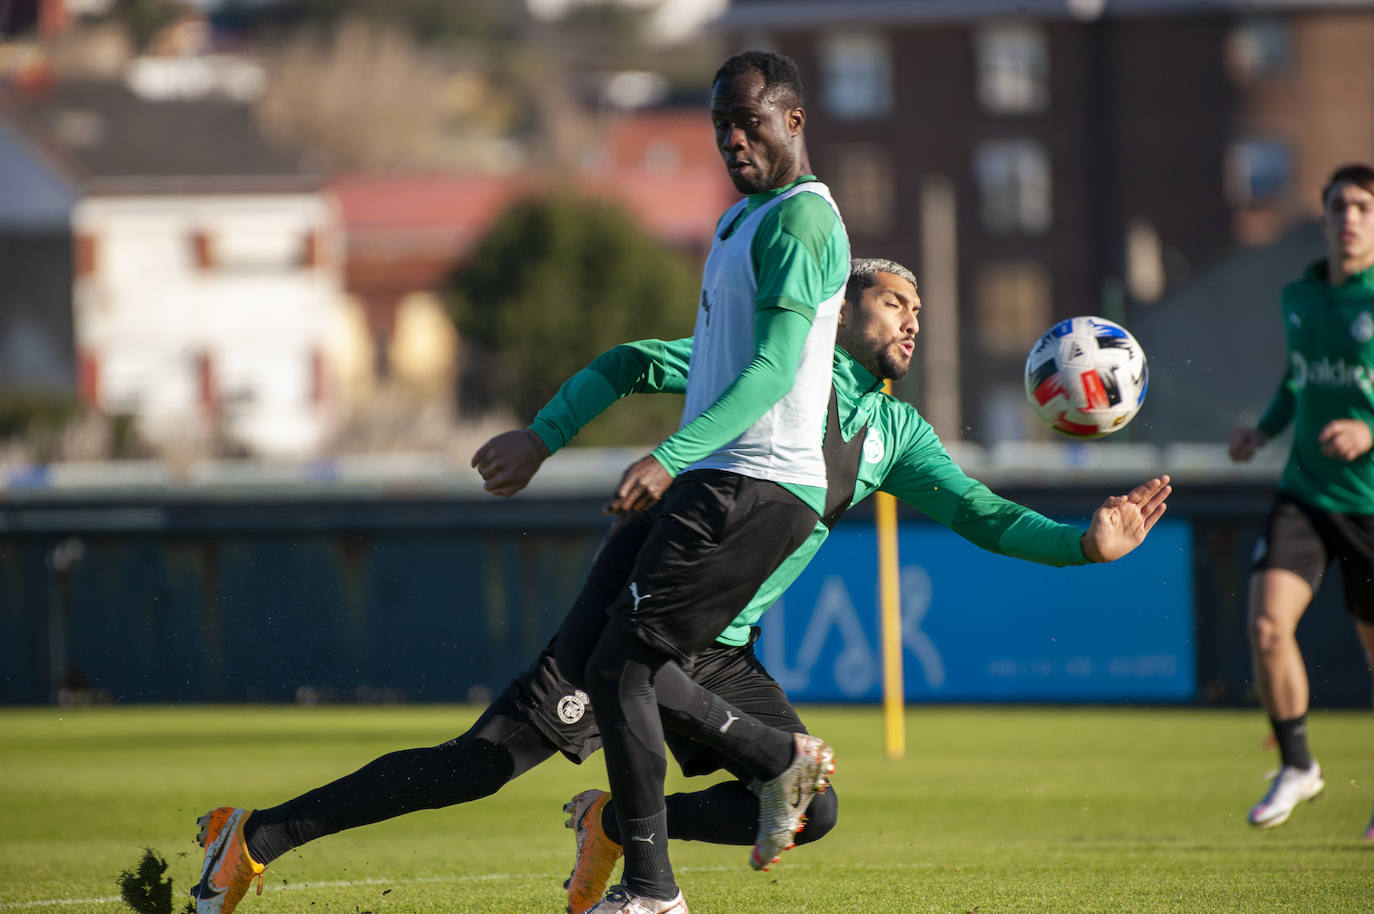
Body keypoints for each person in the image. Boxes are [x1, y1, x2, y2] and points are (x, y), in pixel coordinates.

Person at [190, 258, 1173, 914]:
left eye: (920, 308)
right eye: (892, 301)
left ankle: (616, 821)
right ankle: (257, 835)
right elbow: (628, 361)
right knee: (483, 763)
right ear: (838, 309)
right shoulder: (774, 367)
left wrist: (1085, 543)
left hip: (720, 643)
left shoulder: (897, 435)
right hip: (645, 594)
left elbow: (984, 515)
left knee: (811, 809)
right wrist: (545, 432)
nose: (914, 316)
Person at [559, 49, 854, 914]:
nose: (731, 138)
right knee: (589, 658)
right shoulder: (742, 220)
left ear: (794, 121)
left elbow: (769, 373)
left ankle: (652, 892)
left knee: (621, 672)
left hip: (755, 484)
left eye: (750, 121)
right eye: (720, 123)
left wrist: (671, 455)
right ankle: (777, 761)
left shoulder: (803, 223)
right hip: (715, 477)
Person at [1229, 162, 1374, 840]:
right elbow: (1297, 381)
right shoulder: (1299, 296)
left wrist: (1370, 428)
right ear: (1323, 217)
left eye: (1365, 208)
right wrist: (1263, 428)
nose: (1351, 217)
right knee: (1266, 625)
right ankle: (1297, 765)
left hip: (1371, 504)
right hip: (1307, 490)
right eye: (1341, 205)